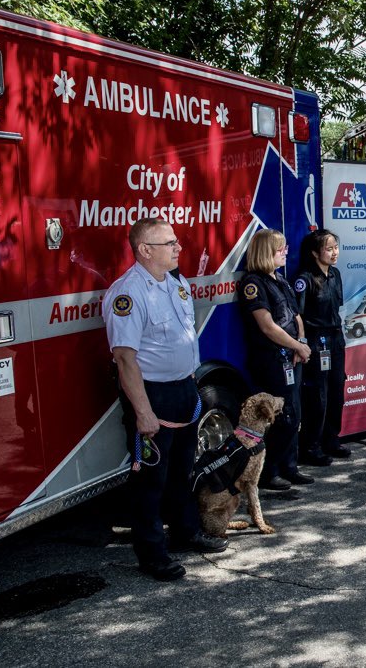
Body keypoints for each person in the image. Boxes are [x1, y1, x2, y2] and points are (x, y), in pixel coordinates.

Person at [103, 218, 226, 582]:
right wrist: (143, 412)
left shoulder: (177, 283)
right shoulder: (127, 294)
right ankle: (152, 554)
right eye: (169, 243)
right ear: (145, 250)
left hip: (183, 388)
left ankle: (185, 532)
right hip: (152, 394)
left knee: (182, 469)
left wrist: (190, 381)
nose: (178, 247)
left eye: (176, 241)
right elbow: (125, 359)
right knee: (150, 480)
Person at [240, 229, 313, 489]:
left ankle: (289, 466)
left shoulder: (280, 280)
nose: (285, 252)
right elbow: (268, 327)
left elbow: (296, 316)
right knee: (282, 416)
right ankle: (269, 472)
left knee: (295, 413)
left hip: (292, 355)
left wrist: (301, 343)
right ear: (265, 252)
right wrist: (297, 346)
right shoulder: (253, 284)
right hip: (272, 360)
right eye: (281, 248)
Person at [295, 229, 352, 464]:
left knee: (337, 390)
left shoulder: (335, 274)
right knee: (318, 395)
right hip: (317, 341)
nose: (334, 253)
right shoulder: (305, 279)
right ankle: (311, 446)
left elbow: (337, 306)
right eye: (329, 249)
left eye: (335, 248)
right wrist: (301, 343)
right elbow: (298, 315)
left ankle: (332, 439)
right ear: (315, 253)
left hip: (336, 338)